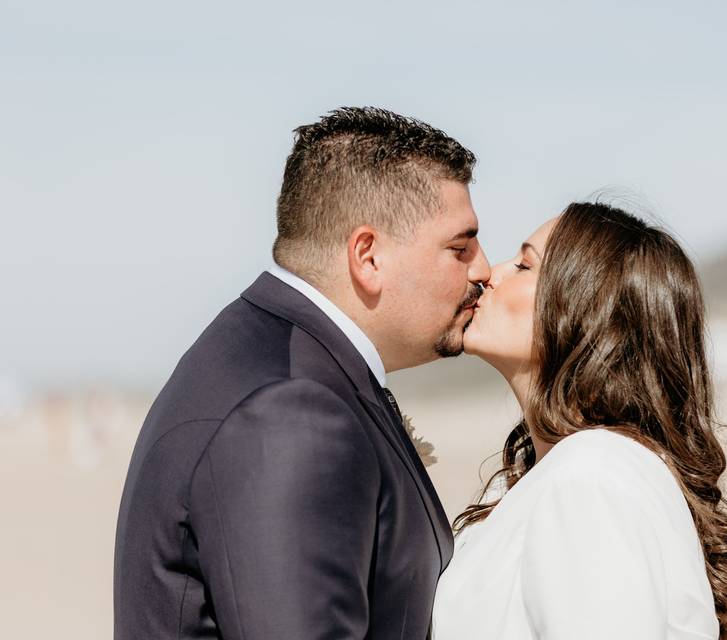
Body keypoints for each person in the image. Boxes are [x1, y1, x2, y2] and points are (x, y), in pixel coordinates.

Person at [113, 107, 490, 639]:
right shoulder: (291, 410)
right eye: (460, 247)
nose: (483, 270)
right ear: (368, 256)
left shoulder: (275, 355)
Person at [432, 202, 727, 639]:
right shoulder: (553, 475)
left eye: (525, 264)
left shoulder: (592, 477)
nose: (490, 272)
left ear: (587, 311)